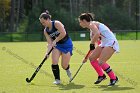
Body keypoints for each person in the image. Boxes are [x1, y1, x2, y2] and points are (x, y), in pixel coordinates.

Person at [78, 13, 119, 86]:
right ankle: (101, 76)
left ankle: (114, 78)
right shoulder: (91, 30)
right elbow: (93, 46)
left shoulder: (92, 24)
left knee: (101, 61)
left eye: (80, 22)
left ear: (84, 20)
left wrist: (92, 43)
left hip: (111, 42)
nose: (79, 24)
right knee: (92, 58)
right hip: (104, 43)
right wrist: (86, 57)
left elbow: (97, 34)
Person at [39, 10, 73, 85]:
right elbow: (49, 43)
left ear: (48, 19)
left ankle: (67, 69)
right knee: (54, 61)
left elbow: (63, 33)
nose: (43, 24)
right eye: (41, 23)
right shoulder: (46, 31)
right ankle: (57, 80)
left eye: (43, 22)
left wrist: (56, 40)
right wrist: (47, 53)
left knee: (64, 66)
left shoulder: (56, 23)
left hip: (66, 44)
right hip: (57, 46)